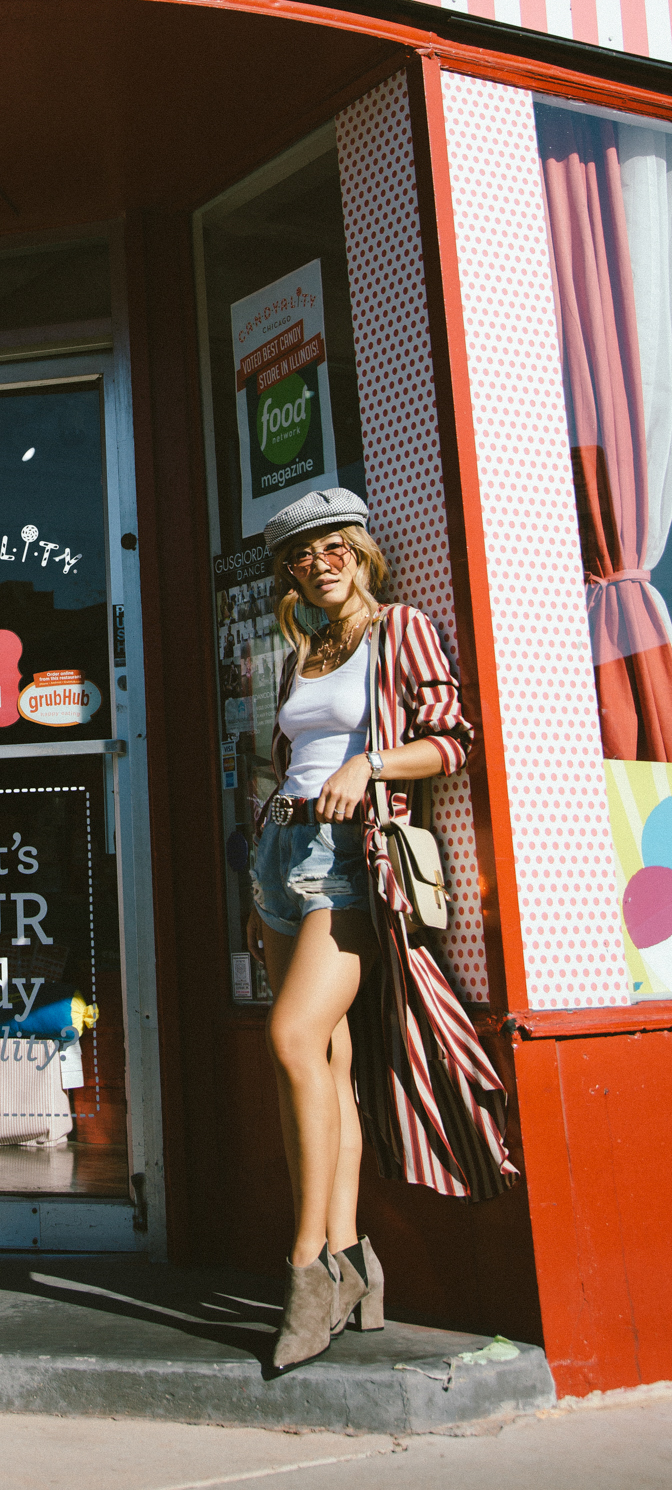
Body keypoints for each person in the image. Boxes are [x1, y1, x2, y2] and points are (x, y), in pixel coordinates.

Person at [245, 486, 473, 1370]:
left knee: (294, 1037)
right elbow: (292, 754)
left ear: (362, 552)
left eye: (334, 547)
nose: (319, 563)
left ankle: (305, 1266)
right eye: (302, 555)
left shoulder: (398, 630)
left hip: (349, 857)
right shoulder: (303, 649)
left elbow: (452, 737)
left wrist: (371, 766)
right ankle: (348, 1258)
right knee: (323, 1056)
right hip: (279, 853)